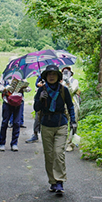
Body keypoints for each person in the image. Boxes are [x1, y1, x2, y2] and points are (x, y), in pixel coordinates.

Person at [34, 64, 76, 195]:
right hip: (46, 124)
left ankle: (59, 181)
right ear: (45, 77)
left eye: (54, 74)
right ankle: (52, 181)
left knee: (58, 153)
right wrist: (41, 100)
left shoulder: (63, 90)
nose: (51, 76)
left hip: (61, 124)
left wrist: (73, 121)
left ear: (58, 76)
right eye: (49, 74)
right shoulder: (42, 90)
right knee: (49, 155)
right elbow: (36, 108)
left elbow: (70, 106)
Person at [0, 72, 30, 151]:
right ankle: (2, 143)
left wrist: (26, 89)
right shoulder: (5, 76)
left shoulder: (22, 76)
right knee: (5, 122)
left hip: (19, 102)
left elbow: (28, 88)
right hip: (7, 101)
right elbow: (0, 88)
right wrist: (5, 88)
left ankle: (14, 143)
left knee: (17, 123)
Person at [61, 67, 81, 152]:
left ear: (71, 73)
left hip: (73, 105)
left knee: (73, 124)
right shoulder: (60, 82)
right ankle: (61, 143)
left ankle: (70, 144)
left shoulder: (74, 81)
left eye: (67, 71)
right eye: (64, 72)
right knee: (62, 125)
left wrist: (67, 83)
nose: (65, 73)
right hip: (62, 105)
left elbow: (71, 91)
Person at [24, 75, 44, 143]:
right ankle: (35, 134)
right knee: (37, 118)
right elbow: (36, 83)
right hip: (40, 99)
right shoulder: (41, 76)